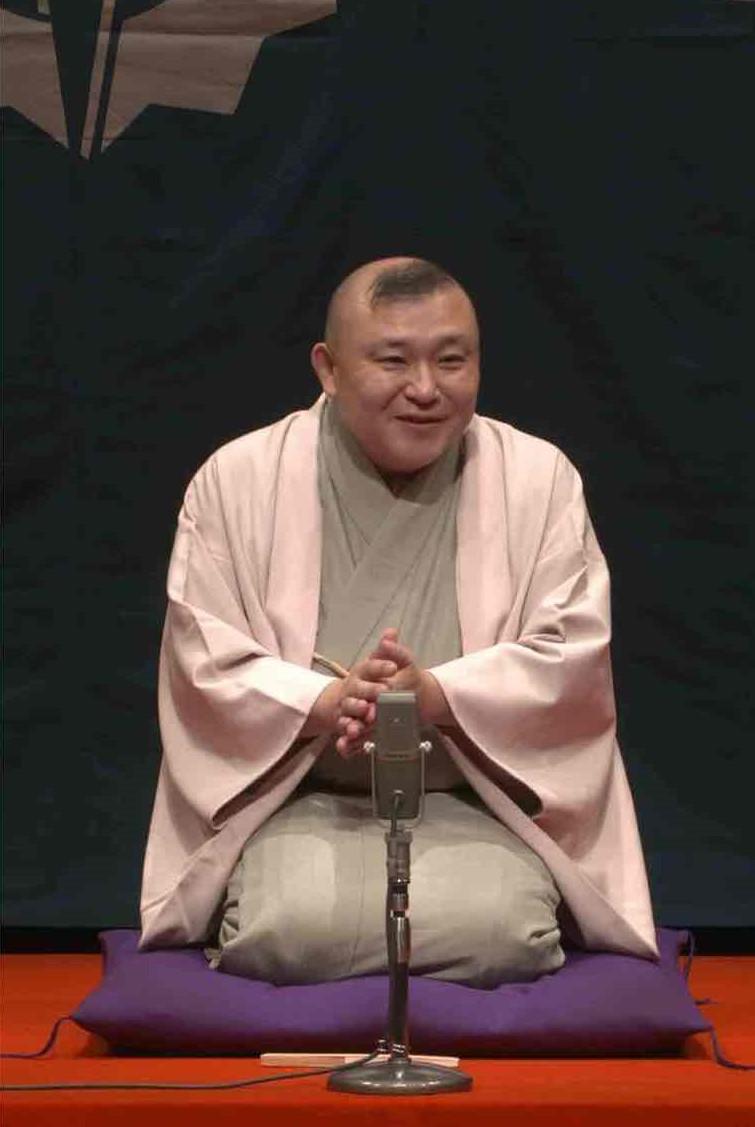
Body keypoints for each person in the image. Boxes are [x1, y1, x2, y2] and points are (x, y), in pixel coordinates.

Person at [139, 257, 657, 987]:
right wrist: (327, 702)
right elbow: (204, 660)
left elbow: (570, 656)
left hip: (475, 804)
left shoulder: (537, 479)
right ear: (328, 368)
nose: (425, 388)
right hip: (301, 804)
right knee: (286, 930)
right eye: (393, 361)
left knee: (503, 934)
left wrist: (434, 695)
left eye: (452, 360)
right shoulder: (239, 479)